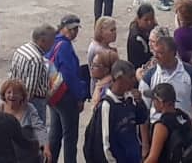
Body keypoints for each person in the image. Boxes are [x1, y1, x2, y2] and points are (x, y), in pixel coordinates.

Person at [138, 35, 192, 144]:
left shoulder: (190, 73)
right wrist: (145, 145)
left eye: (160, 53)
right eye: (155, 52)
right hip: (158, 130)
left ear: (172, 52)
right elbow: (143, 113)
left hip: (183, 127)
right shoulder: (149, 77)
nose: (156, 56)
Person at [86, 60, 147, 163]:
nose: (134, 80)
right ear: (119, 78)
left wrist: (139, 101)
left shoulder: (129, 99)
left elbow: (141, 118)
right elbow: (104, 144)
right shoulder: (107, 106)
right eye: (130, 77)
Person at [48, 15, 87, 163]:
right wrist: (79, 97)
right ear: (63, 28)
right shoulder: (64, 46)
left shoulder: (53, 42)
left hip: (53, 94)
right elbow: (70, 75)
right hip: (66, 96)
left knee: (55, 133)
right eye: (71, 29)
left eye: (76, 29)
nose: (74, 32)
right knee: (70, 137)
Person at [8, 24, 56, 124]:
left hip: (16, 97)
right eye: (52, 41)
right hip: (34, 102)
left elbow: (12, 74)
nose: (53, 45)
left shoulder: (21, 49)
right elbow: (30, 90)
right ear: (42, 41)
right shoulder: (36, 59)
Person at [142, 82, 192, 163]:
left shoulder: (162, 125)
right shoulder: (184, 116)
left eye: (154, 100)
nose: (153, 102)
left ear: (161, 102)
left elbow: (153, 159)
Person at [0, 78, 50, 163]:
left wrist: (46, 147)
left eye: (16, 93)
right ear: (4, 94)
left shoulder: (29, 108)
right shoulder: (0, 108)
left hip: (28, 156)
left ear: (22, 96)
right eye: (9, 92)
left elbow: (39, 128)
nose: (12, 95)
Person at [87, 16, 119, 96]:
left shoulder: (99, 46)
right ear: (102, 32)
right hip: (102, 90)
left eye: (115, 29)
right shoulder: (100, 51)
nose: (115, 33)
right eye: (112, 30)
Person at [126, 3, 156, 70]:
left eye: (152, 19)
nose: (150, 22)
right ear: (138, 19)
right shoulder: (135, 39)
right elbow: (139, 62)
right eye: (146, 20)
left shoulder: (152, 29)